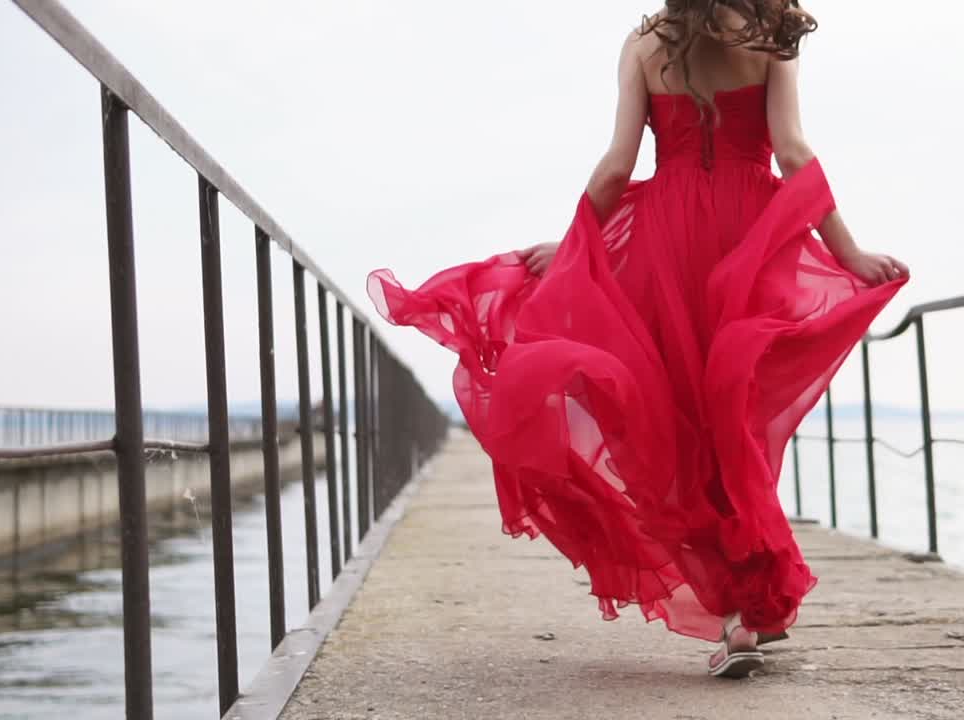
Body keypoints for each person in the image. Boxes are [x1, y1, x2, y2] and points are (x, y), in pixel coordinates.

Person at [368, 0, 908, 679]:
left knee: (683, 422)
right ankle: (749, 610)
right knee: (734, 415)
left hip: (667, 243)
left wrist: (574, 247)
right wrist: (849, 253)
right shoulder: (773, 35)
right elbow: (793, 150)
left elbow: (617, 168)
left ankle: (742, 613)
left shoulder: (645, 43)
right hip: (750, 237)